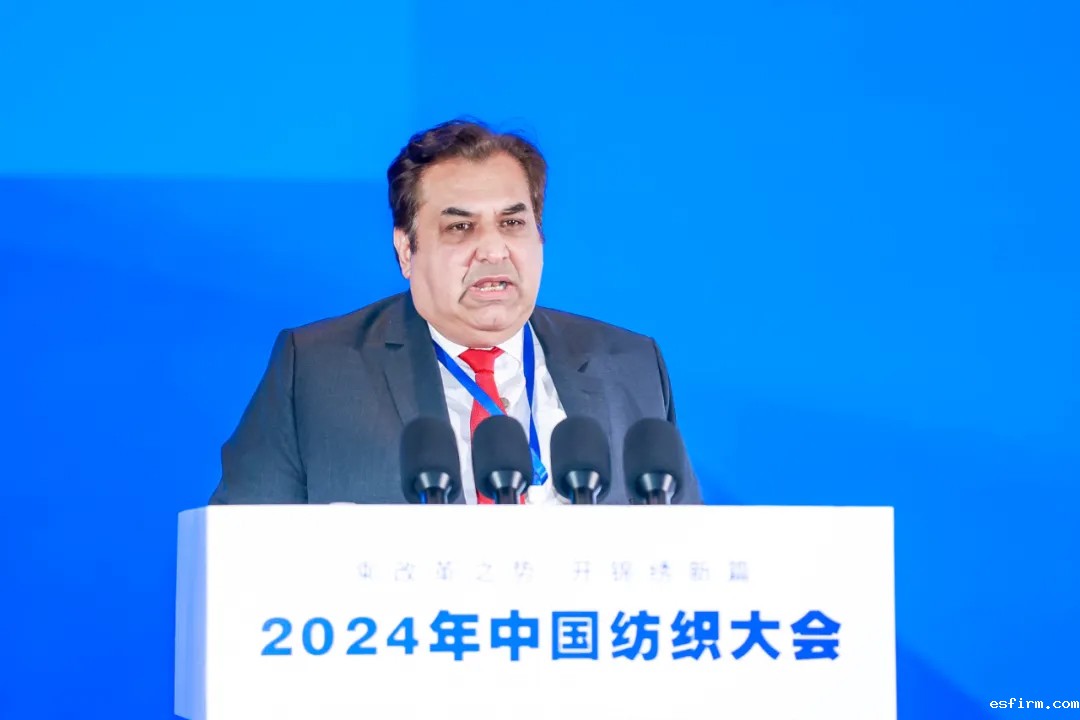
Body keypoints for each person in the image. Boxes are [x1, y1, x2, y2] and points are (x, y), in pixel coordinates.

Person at [209, 119, 700, 505]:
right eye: (460, 228)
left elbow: (687, 551)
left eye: (513, 223)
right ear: (406, 251)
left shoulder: (630, 364)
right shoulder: (317, 372)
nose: (493, 250)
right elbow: (241, 556)